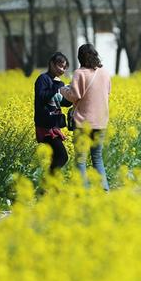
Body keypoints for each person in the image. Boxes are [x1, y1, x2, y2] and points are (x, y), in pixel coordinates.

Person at [60, 44, 111, 190]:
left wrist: (63, 89)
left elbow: (74, 96)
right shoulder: (105, 73)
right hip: (101, 121)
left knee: (81, 160)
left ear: (80, 57)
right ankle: (104, 189)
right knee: (97, 158)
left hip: (83, 122)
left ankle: (83, 191)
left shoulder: (79, 73)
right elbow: (107, 93)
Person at [34, 52, 72, 174]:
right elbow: (42, 97)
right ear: (51, 64)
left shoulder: (57, 82)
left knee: (55, 158)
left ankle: (50, 188)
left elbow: (63, 102)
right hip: (45, 126)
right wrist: (56, 86)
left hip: (54, 125)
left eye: (64, 67)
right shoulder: (43, 79)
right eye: (60, 66)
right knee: (62, 157)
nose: (62, 69)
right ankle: (47, 185)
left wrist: (73, 96)